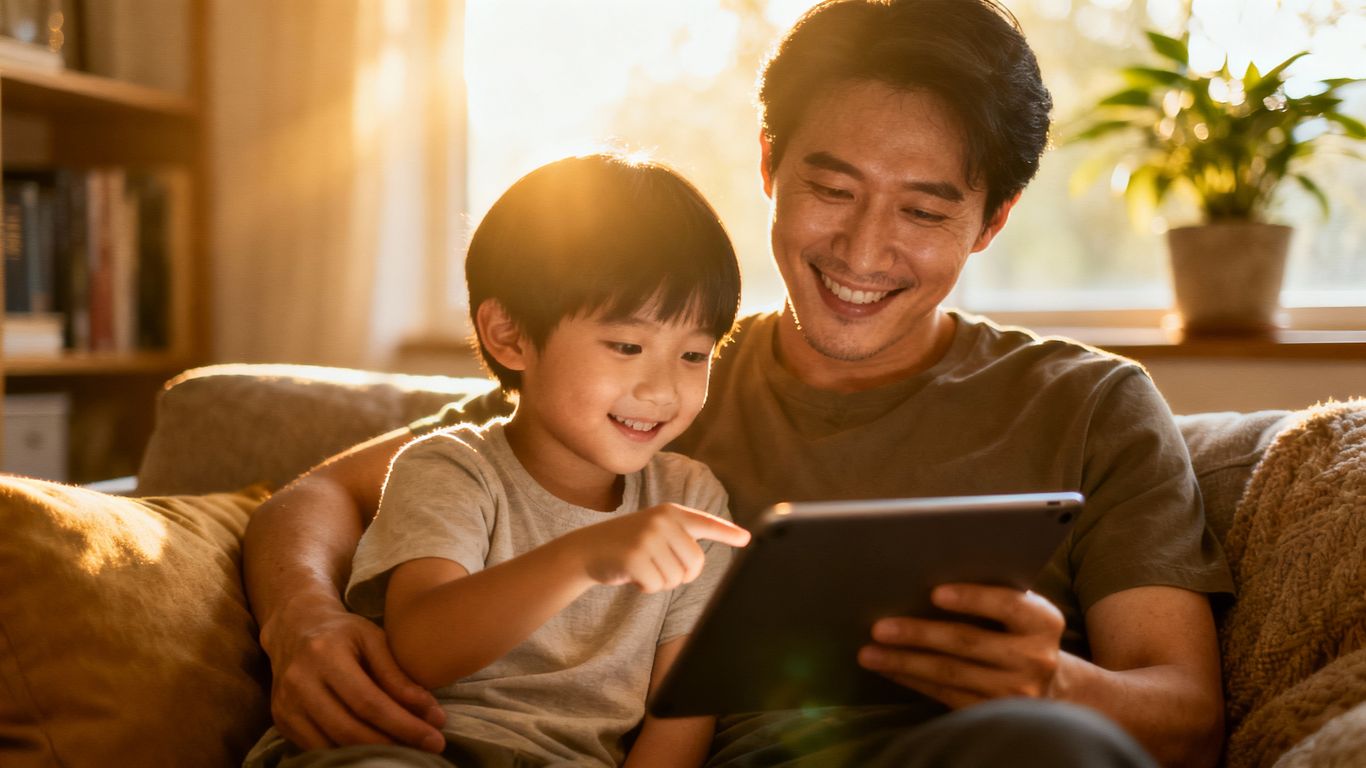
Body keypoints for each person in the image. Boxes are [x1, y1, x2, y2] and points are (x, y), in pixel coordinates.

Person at [243, 1, 1233, 766]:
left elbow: (1186, 718)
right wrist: (305, 623)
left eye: (923, 212)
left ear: (991, 222)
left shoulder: (1090, 404)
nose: (861, 249)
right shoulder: (648, 380)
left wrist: (1053, 686)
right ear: (769, 166)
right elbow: (326, 492)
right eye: (831, 189)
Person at [243, 154, 752, 767]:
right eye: (627, 345)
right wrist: (585, 557)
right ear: (509, 336)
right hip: (412, 749)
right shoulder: (450, 468)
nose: (663, 390)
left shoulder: (693, 500)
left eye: (694, 355)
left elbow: (682, 711)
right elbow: (424, 648)